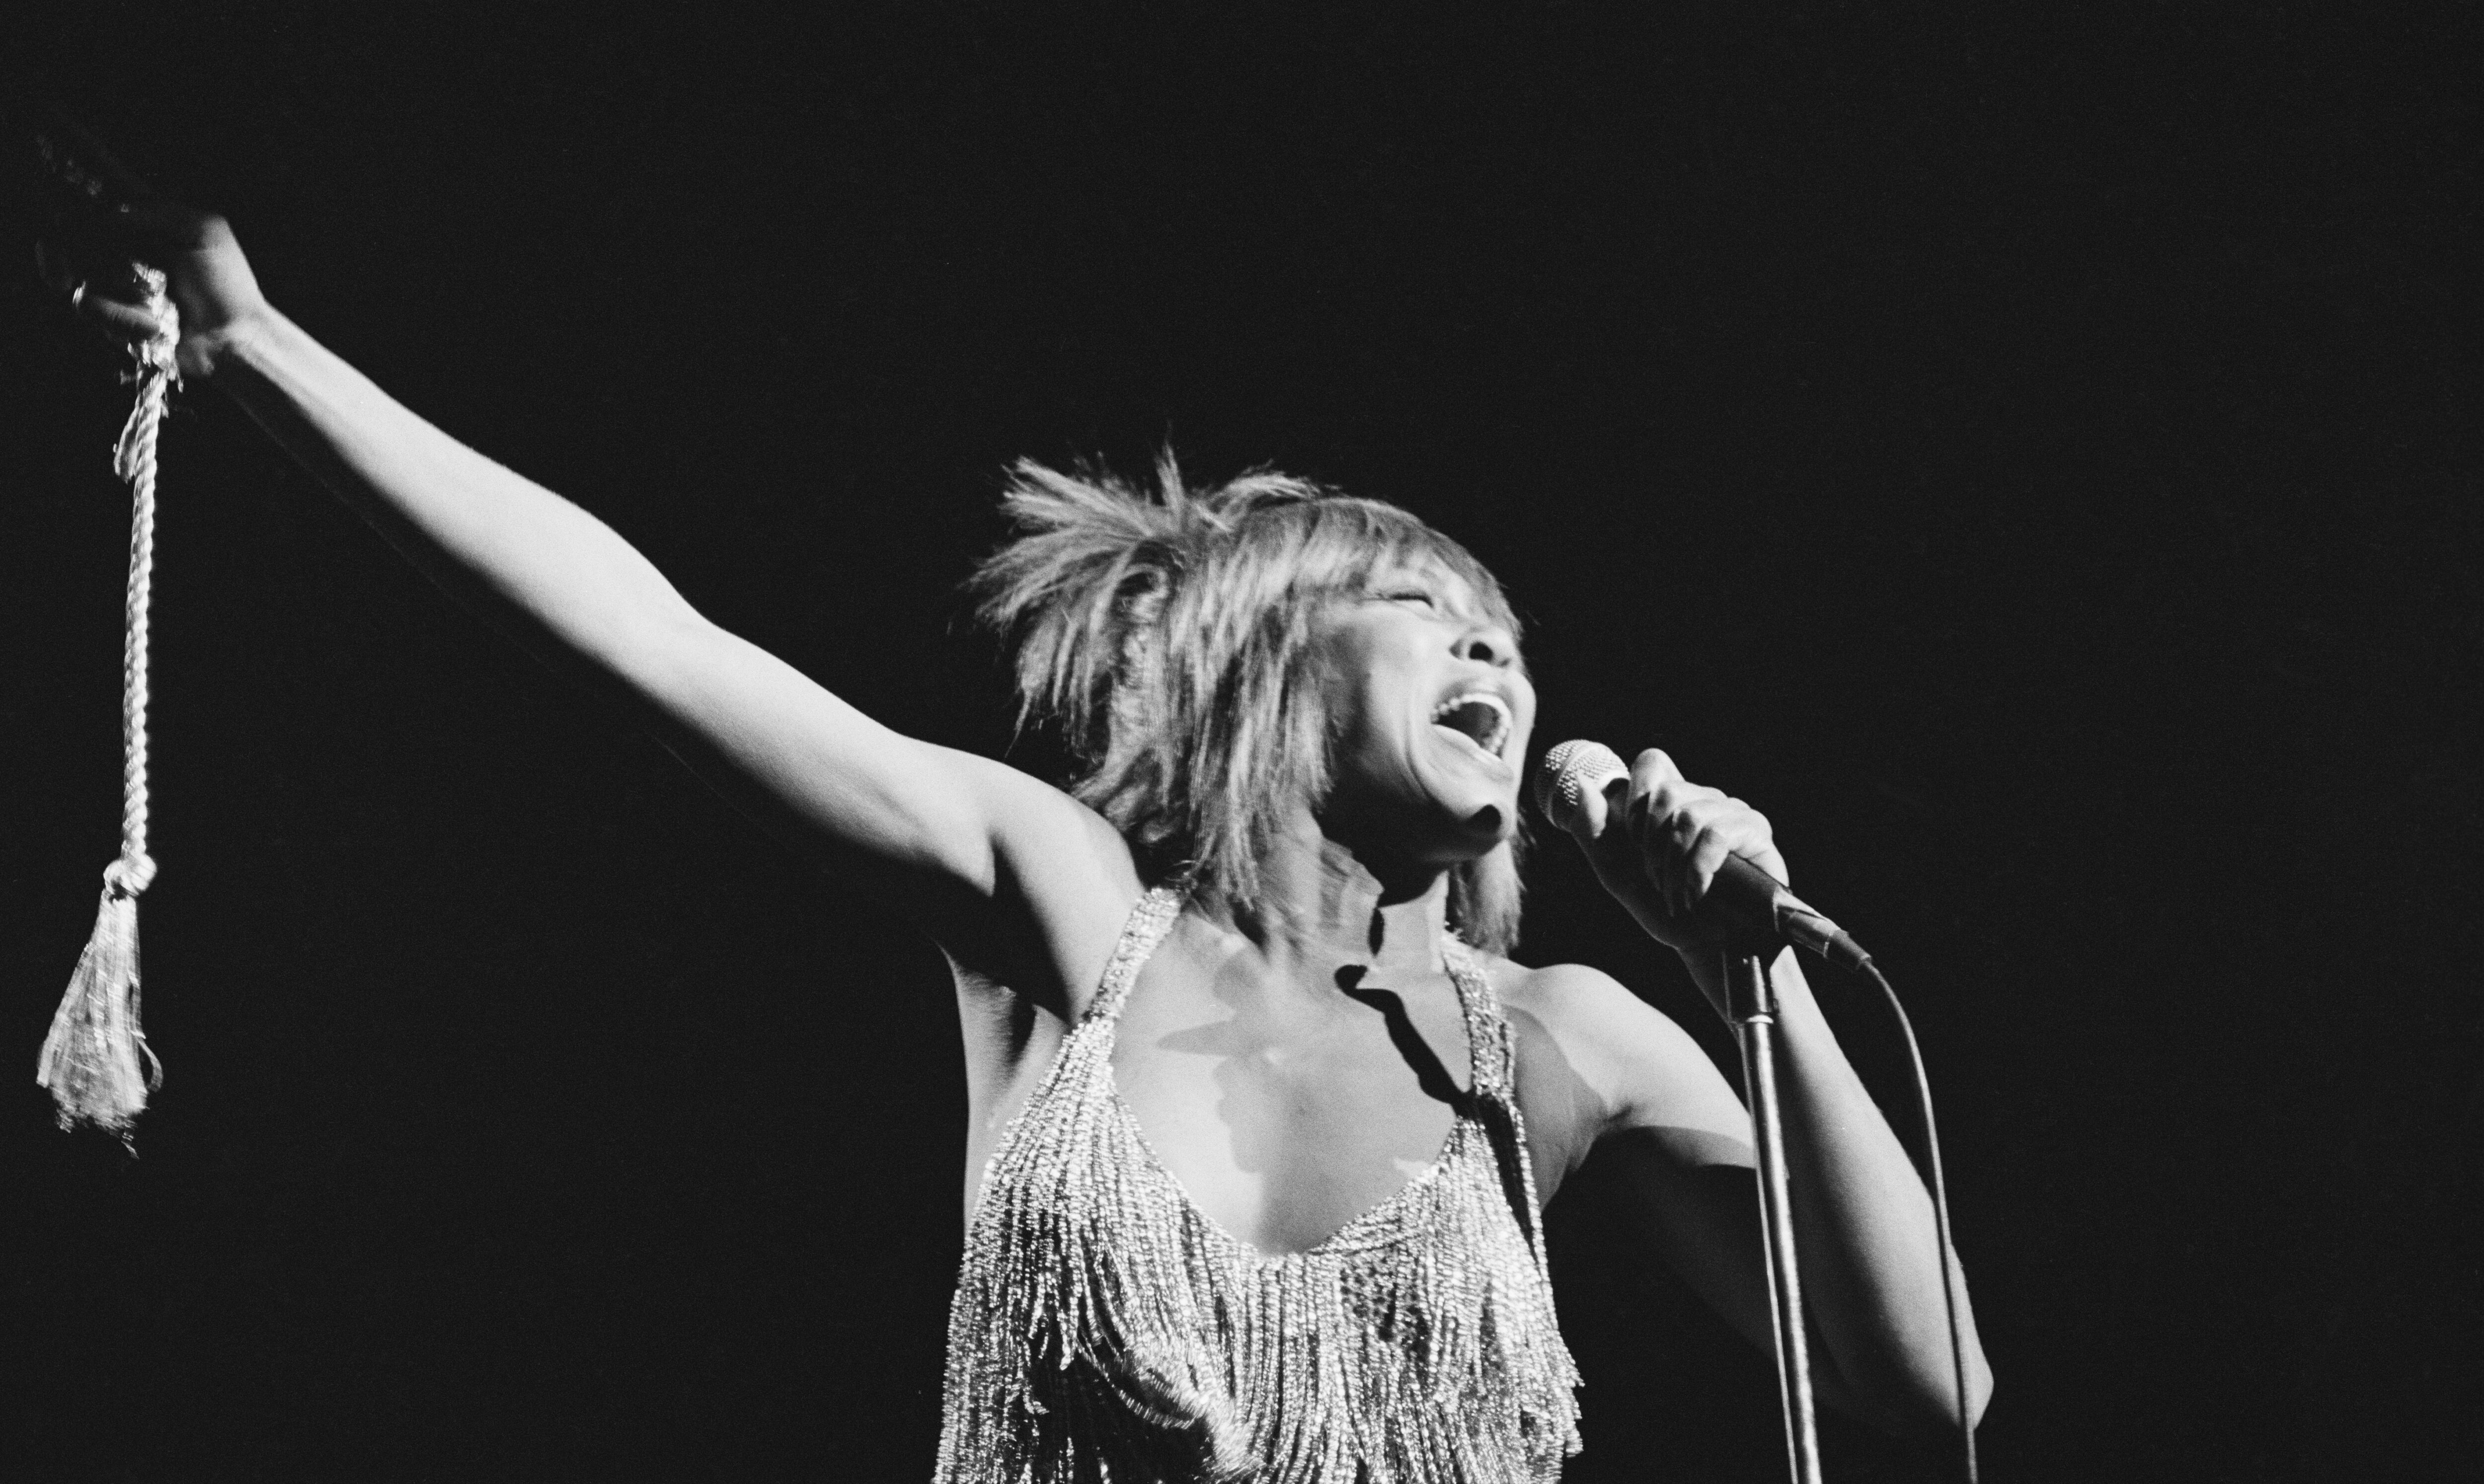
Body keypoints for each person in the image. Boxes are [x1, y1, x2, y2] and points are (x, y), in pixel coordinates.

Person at [45, 202, 1990, 1482]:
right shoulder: (1069, 909)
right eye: (1418, 603)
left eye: (1503, 628)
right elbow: (656, 644)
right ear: (1259, 659)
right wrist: (263, 348)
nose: (1487, 639)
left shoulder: (1556, 1041)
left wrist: (1753, 996)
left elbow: (1931, 1390)